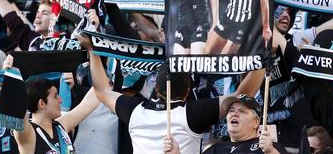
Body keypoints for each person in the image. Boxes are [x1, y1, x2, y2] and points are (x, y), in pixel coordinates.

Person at [76, 32, 264, 154]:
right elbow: (242, 96)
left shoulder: (134, 110)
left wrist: (93, 49)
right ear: (188, 90)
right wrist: (262, 62)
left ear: (156, 89)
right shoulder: (193, 113)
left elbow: (100, 90)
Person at [4, 55, 100, 154]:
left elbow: (91, 100)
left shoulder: (61, 127)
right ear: (41, 103)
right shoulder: (29, 135)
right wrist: (12, 75)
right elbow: (18, 111)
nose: (60, 100)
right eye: (55, 96)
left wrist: (95, 53)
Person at [199, 95, 286, 154]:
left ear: (256, 122)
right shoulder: (215, 149)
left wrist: (271, 152)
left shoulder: (267, 146)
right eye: (231, 110)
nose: (235, 114)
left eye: (242, 111)